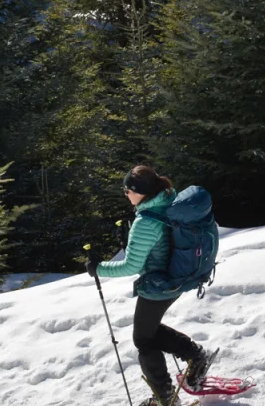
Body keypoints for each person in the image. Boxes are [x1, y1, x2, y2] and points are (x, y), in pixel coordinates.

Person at [88, 165, 210, 406]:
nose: (125, 194)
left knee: (143, 339)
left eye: (127, 190)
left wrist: (98, 268)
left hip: (160, 284)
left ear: (139, 192)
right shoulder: (168, 200)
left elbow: (130, 267)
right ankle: (195, 357)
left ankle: (165, 396)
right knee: (149, 330)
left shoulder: (145, 222)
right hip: (176, 277)